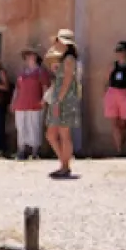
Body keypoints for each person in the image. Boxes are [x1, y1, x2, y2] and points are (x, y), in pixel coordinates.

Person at [44, 29, 81, 179]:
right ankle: (64, 164)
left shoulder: (69, 59)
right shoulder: (64, 58)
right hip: (59, 98)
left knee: (63, 134)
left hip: (64, 99)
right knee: (52, 133)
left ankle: (65, 166)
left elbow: (66, 82)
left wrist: (58, 100)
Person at [12, 48, 51, 159]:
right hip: (21, 104)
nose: (29, 58)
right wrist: (13, 102)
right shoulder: (22, 73)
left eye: (31, 55)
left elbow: (45, 87)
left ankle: (35, 151)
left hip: (35, 104)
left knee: (34, 126)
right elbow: (17, 89)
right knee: (21, 127)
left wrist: (44, 100)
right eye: (27, 56)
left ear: (36, 57)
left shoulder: (40, 72)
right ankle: (21, 150)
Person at [103, 41, 126, 156]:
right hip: (112, 92)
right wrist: (105, 92)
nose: (119, 53)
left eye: (121, 50)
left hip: (125, 93)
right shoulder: (113, 65)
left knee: (123, 123)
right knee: (114, 123)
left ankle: (122, 143)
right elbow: (106, 80)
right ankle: (119, 149)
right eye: (117, 51)